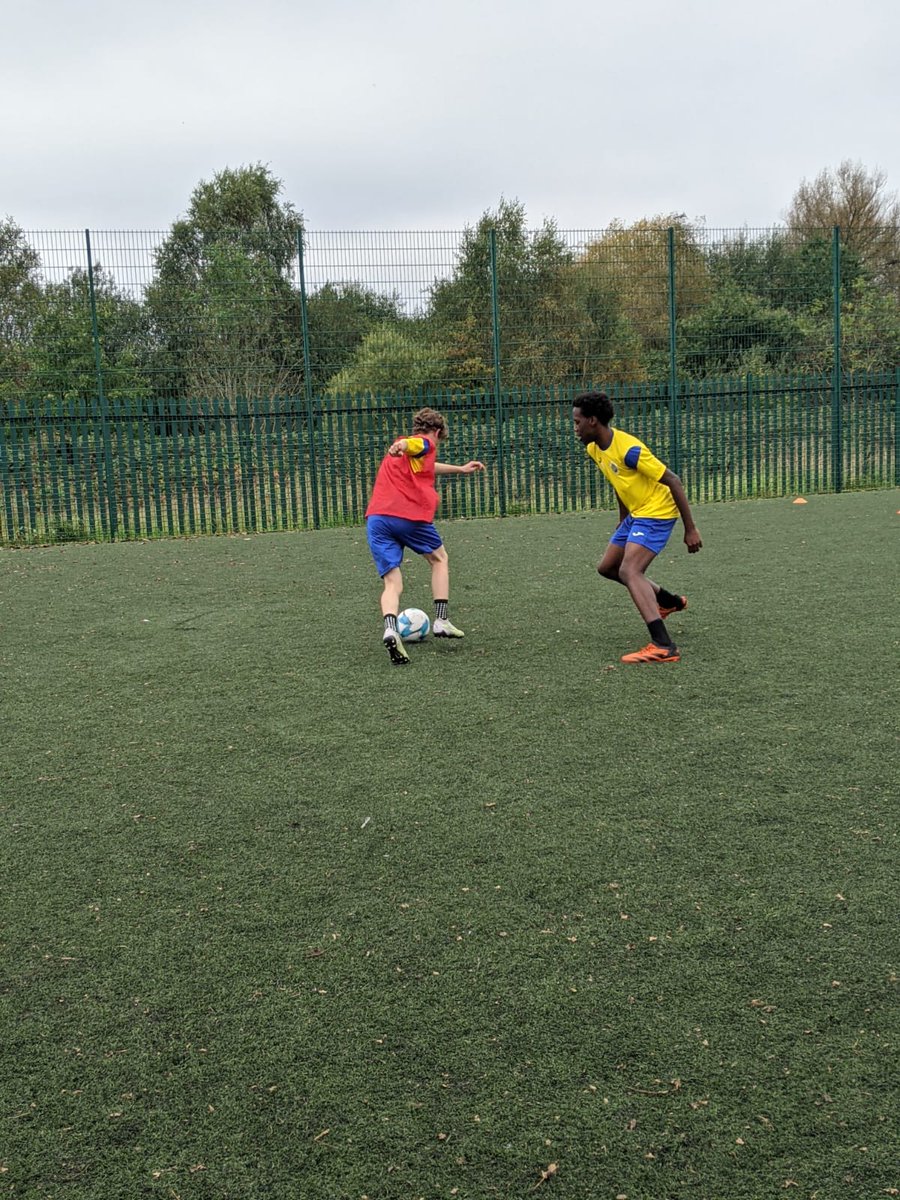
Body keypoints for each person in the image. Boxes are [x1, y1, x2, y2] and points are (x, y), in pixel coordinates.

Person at [572, 391, 702, 664]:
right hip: (637, 513)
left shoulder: (630, 450)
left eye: (577, 422)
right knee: (607, 567)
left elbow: (674, 480)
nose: (575, 428)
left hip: (657, 512)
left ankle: (664, 645)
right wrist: (623, 519)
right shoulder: (594, 448)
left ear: (593, 421)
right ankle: (668, 601)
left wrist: (690, 529)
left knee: (630, 570)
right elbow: (619, 482)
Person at [365, 407, 486, 666]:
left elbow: (427, 464)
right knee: (439, 559)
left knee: (392, 583)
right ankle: (441, 620)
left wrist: (460, 469)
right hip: (406, 515)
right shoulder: (424, 442)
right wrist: (402, 446)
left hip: (377, 518)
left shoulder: (415, 453)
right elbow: (417, 444)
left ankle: (390, 628)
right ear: (439, 432)